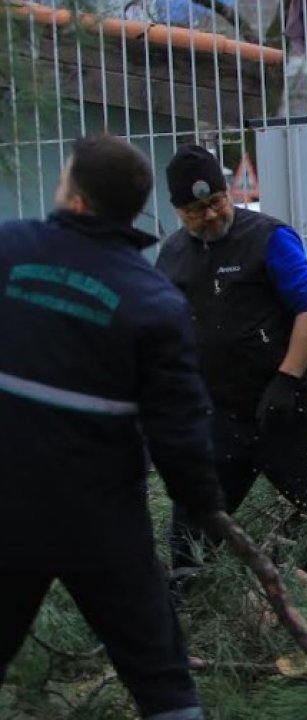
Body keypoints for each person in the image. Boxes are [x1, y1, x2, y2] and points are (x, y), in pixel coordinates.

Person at [0, 134, 223, 720]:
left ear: (74, 198)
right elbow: (180, 427)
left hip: (8, 510)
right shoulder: (152, 298)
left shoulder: (7, 251)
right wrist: (203, 504)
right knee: (159, 675)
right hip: (99, 524)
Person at [156, 144, 307, 580]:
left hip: (281, 409)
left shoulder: (268, 238)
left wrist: (286, 381)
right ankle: (188, 607)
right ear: (178, 211)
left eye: (216, 202)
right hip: (218, 419)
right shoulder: (172, 258)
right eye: (197, 210)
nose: (212, 215)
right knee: (193, 527)